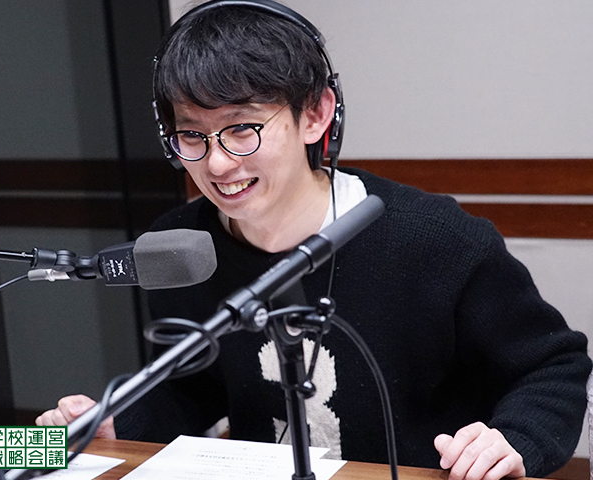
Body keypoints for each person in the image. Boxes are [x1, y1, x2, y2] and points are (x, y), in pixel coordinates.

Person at [36, 1, 592, 479]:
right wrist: (119, 422)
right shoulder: (179, 248)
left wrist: (513, 439)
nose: (217, 163)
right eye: (192, 135)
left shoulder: (434, 238)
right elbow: (195, 388)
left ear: (316, 114)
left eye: (241, 128)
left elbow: (554, 368)